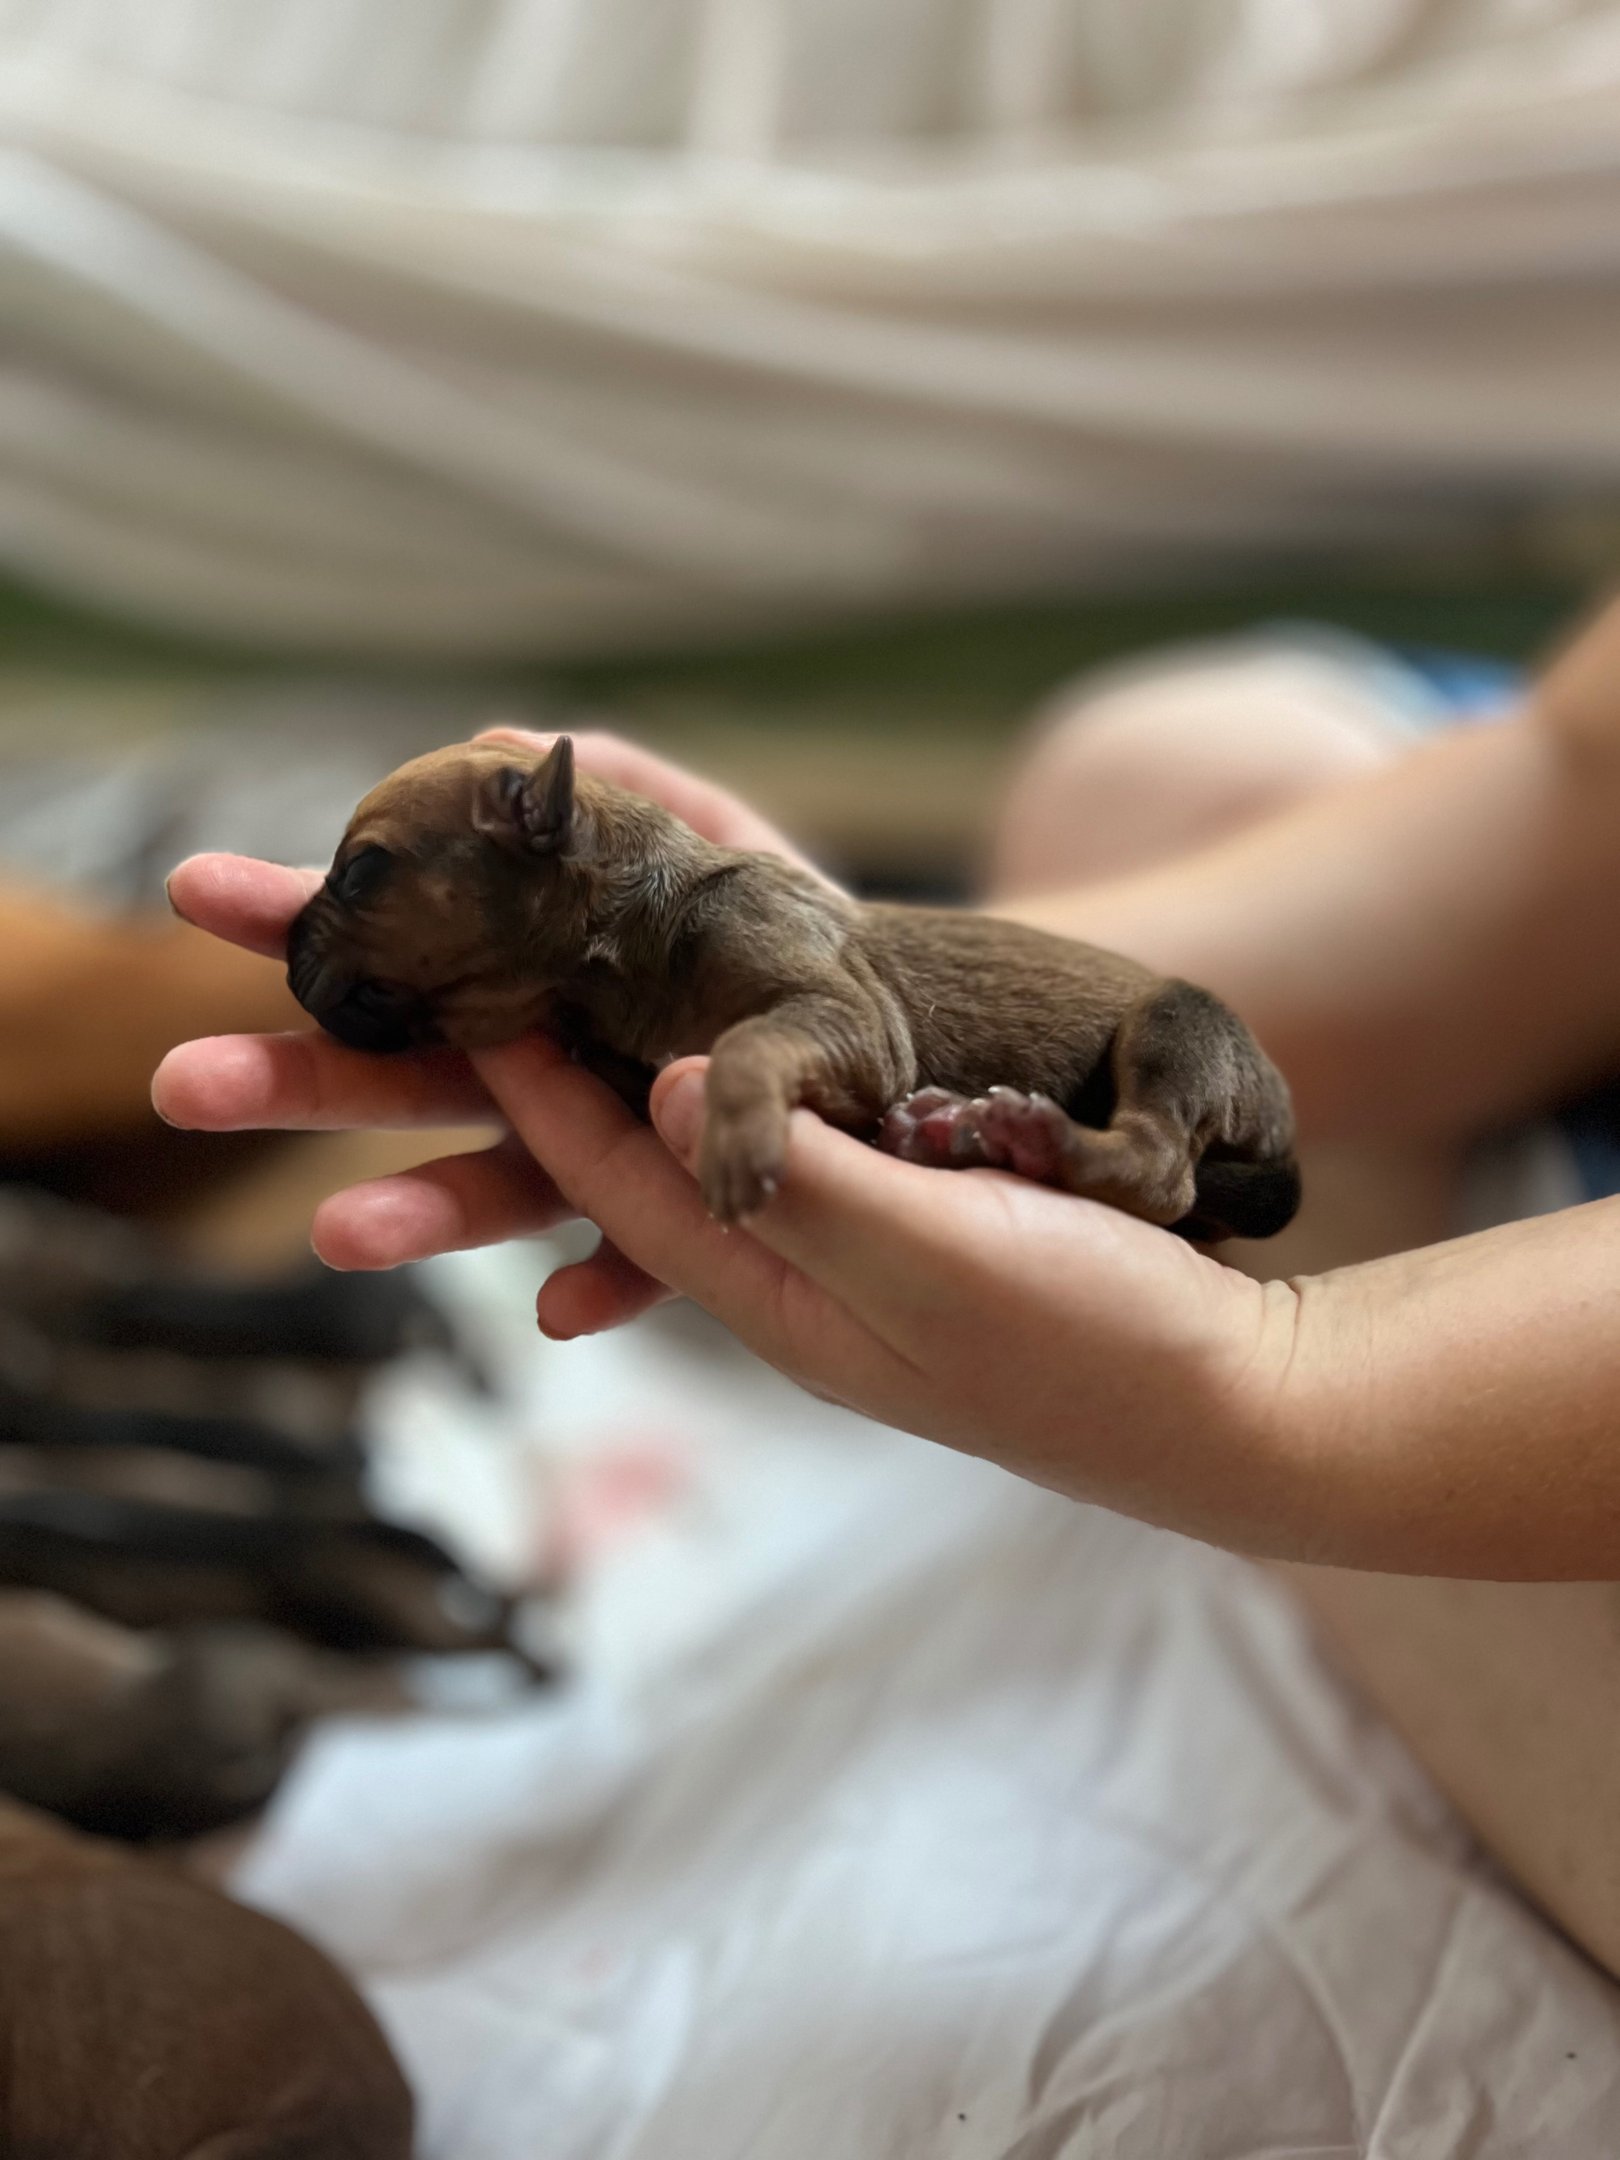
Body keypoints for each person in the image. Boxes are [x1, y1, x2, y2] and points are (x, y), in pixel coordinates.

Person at [156, 592, 1620, 1975]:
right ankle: (1209, 1196)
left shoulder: (693, 923)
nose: (331, 922)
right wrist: (823, 956)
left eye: (366, 881)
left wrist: (1266, 1396)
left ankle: (1183, 1202)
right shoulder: (644, 941)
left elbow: (834, 1028)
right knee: (1137, 768)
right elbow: (1578, 777)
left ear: (528, 831)